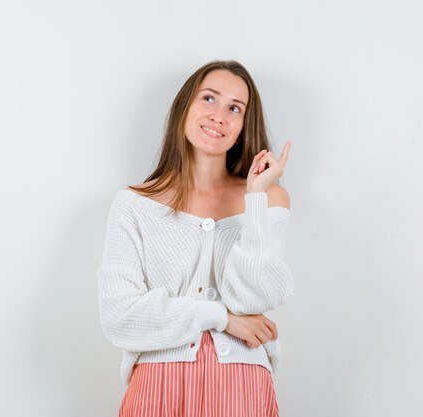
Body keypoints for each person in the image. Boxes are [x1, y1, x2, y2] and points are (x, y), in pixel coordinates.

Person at [96, 59, 293, 417]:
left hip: (243, 384)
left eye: (235, 108)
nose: (219, 115)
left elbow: (252, 297)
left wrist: (256, 197)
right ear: (184, 106)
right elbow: (119, 317)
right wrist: (221, 318)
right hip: (157, 386)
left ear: (242, 127)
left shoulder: (266, 200)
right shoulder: (134, 205)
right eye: (209, 98)